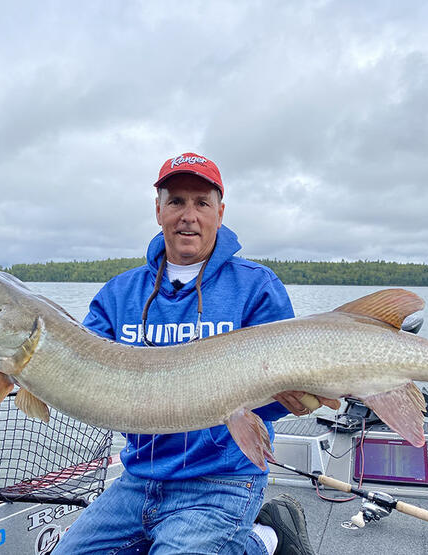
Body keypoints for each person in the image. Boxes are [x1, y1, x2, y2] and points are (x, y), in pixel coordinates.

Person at [54, 152, 339, 555]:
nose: (188, 215)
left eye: (201, 203)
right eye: (176, 202)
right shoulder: (119, 294)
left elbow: (275, 403)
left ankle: (263, 540)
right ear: (158, 211)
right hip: (139, 478)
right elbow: (82, 373)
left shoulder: (255, 287)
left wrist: (290, 399)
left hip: (220, 480)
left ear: (220, 213)